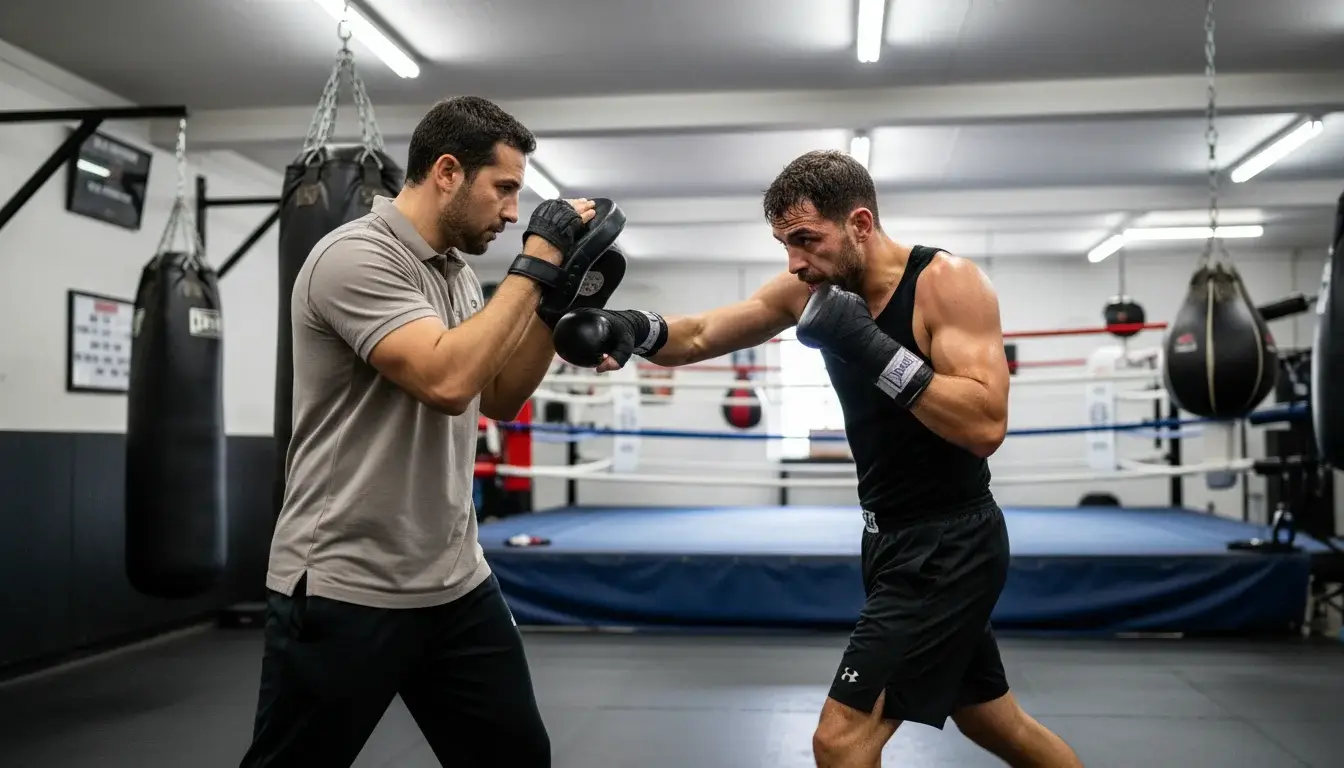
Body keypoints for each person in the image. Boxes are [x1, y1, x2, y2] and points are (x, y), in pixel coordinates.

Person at [551, 150, 1085, 768]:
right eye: (784, 243)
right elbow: (700, 333)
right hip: (887, 540)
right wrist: (629, 328)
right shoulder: (812, 288)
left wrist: (867, 346)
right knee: (995, 722)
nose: (796, 261)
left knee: (840, 742)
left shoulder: (948, 282)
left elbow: (985, 423)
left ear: (860, 223)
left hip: (949, 545)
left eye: (806, 240)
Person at [240, 95, 605, 767]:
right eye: (504, 189)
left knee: (517, 758)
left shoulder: (458, 274)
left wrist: (558, 303)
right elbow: (445, 381)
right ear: (446, 172)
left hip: (455, 582)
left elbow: (496, 396)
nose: (511, 211)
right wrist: (535, 264)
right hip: (347, 584)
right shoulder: (353, 258)